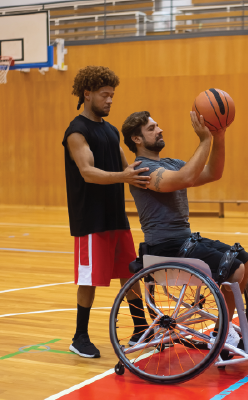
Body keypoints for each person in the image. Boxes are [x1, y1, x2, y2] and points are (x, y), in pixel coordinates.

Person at [121, 110, 248, 348]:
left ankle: (224, 327)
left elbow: (213, 173)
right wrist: (204, 140)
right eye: (151, 128)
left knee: (244, 258)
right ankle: (224, 332)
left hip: (185, 241)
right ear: (136, 139)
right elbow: (184, 178)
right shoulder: (141, 170)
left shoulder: (170, 163)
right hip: (163, 247)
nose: (160, 130)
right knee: (235, 269)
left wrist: (218, 136)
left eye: (157, 125)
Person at [62, 66, 152, 358]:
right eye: (105, 95)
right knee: (89, 278)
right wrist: (124, 176)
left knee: (131, 273)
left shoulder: (111, 131)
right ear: (87, 94)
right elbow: (88, 172)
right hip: (90, 219)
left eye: (113, 95)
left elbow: (129, 168)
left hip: (116, 216)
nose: (110, 100)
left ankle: (141, 329)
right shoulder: (77, 131)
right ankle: (79, 337)